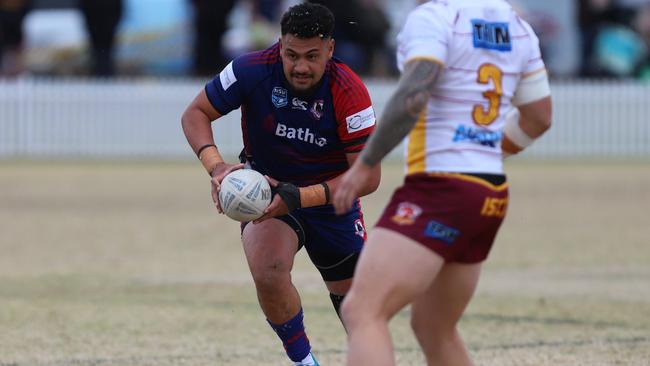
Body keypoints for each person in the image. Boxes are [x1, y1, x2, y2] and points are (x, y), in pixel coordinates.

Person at [332, 0, 552, 365]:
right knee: (434, 325)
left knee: (363, 311)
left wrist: (365, 163)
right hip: (488, 193)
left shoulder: (434, 17)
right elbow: (540, 116)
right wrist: (486, 151)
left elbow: (413, 95)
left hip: (440, 189)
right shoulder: (517, 25)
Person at [181, 3, 381, 365]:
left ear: (330, 50)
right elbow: (195, 112)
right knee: (268, 270)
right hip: (268, 195)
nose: (300, 66)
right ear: (280, 44)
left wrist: (300, 197)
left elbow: (367, 176)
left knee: (359, 313)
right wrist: (216, 166)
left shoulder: (350, 90)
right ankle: (305, 363)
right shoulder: (250, 69)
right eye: (291, 55)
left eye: (311, 56)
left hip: (333, 201)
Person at [78, 0, 123, 76]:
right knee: (99, 51)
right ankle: (100, 71)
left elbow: (118, 9)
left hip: (104, 26)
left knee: (104, 51)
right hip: (99, 26)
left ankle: (103, 71)